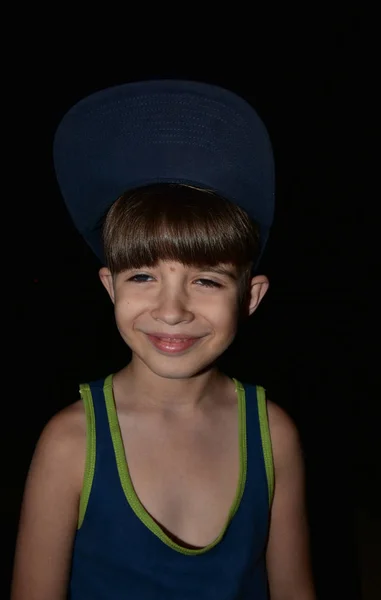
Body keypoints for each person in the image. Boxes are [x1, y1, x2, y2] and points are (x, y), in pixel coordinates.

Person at [11, 80, 316, 599]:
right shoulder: (70, 444)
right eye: (142, 277)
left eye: (207, 280)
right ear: (110, 287)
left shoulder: (273, 433)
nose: (172, 311)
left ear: (251, 297)